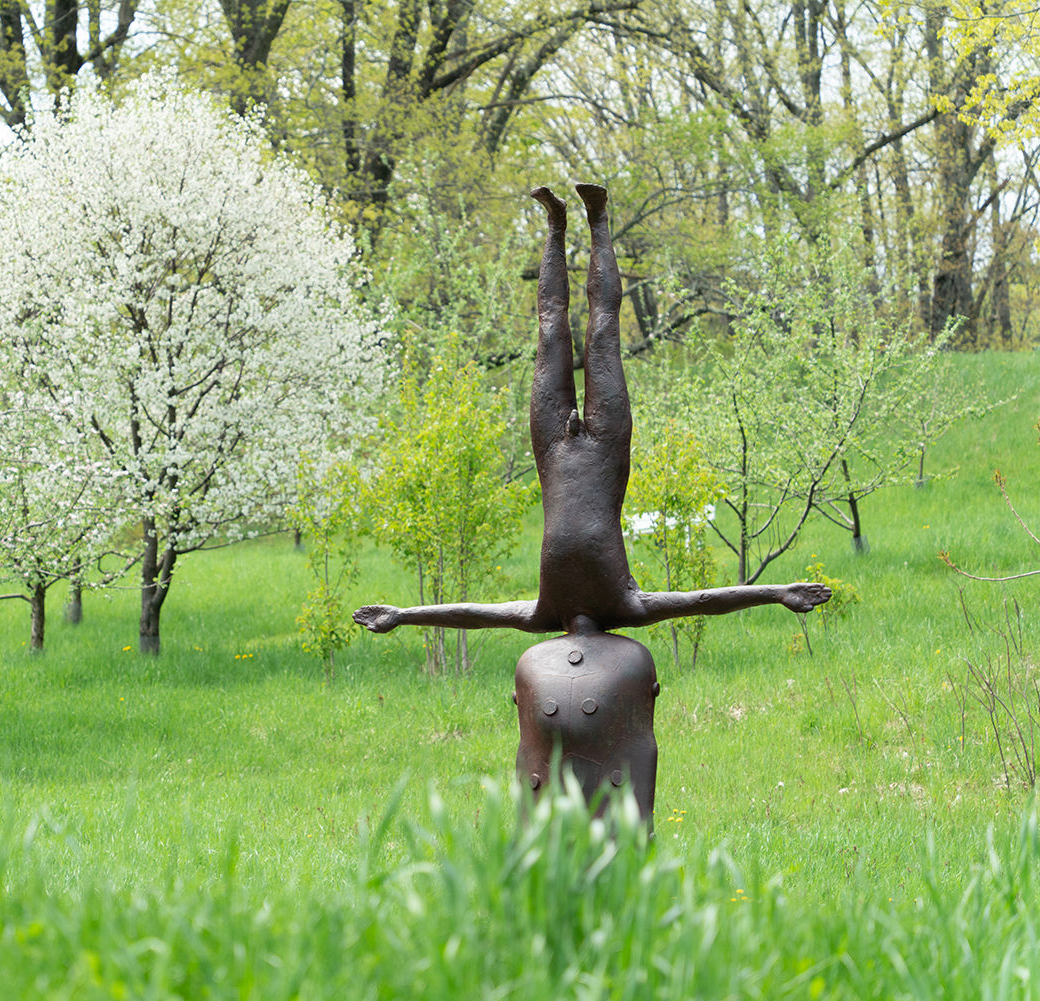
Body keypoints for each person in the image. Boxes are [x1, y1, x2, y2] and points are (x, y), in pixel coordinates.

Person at [352, 183, 832, 820]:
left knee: (586, 335)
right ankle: (560, 223)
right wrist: (773, 592)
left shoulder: (546, 611)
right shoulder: (623, 603)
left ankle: (592, 219)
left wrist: (407, 614)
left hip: (558, 446)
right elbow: (701, 602)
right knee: (570, 333)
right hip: (603, 444)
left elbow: (478, 613)